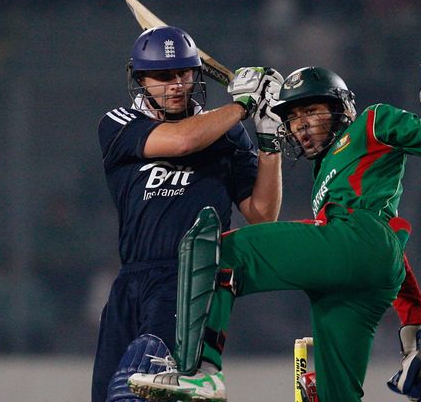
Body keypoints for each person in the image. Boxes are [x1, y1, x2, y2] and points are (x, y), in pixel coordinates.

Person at [128, 48, 421, 402]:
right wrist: (418, 316)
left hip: (358, 240)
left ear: (341, 107)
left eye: (310, 111)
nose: (300, 125)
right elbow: (381, 254)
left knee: (221, 250)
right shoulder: (324, 172)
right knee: (334, 397)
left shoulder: (371, 122)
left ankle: (200, 372)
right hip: (365, 277)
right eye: (291, 118)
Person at [92, 25, 285, 402]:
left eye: (184, 73)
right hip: (129, 284)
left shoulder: (229, 135)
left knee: (140, 391)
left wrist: (269, 140)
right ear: (139, 79)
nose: (177, 84)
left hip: (190, 282)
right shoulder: (118, 124)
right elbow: (182, 140)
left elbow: (262, 214)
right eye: (163, 76)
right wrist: (244, 106)